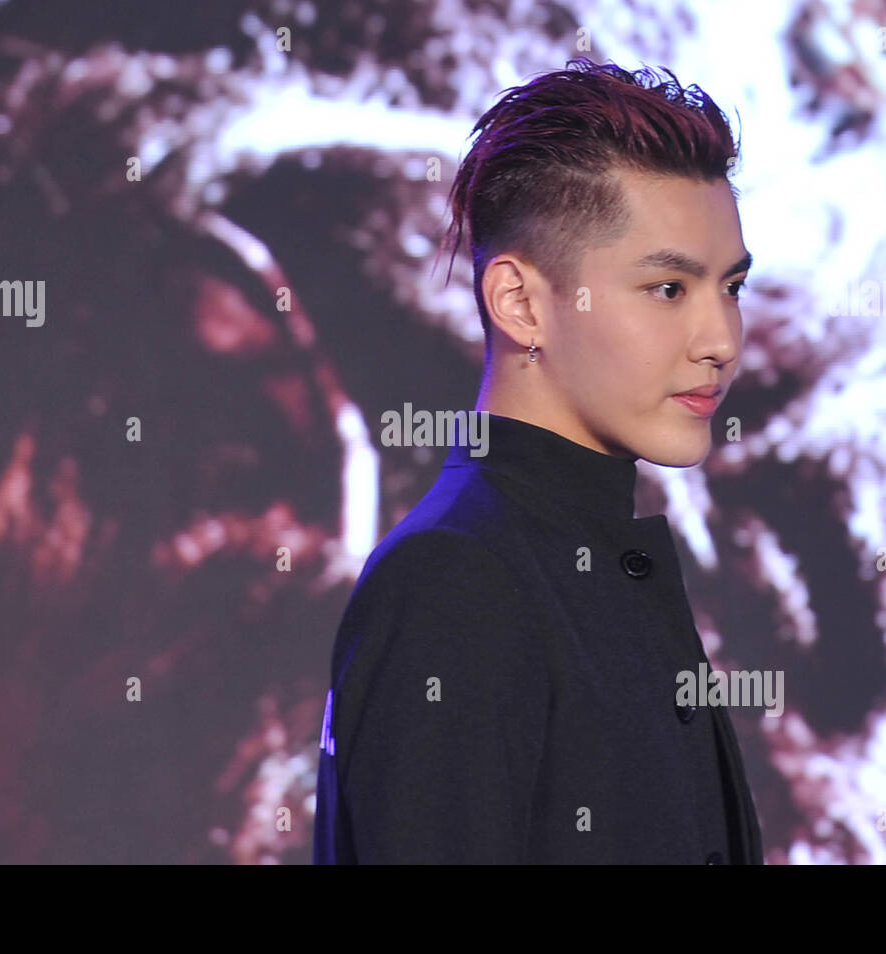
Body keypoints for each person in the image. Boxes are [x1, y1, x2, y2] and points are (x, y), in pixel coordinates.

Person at [313, 58, 763, 864]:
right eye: (668, 289)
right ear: (520, 303)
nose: (722, 342)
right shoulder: (455, 583)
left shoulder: (575, 562)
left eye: (731, 287)